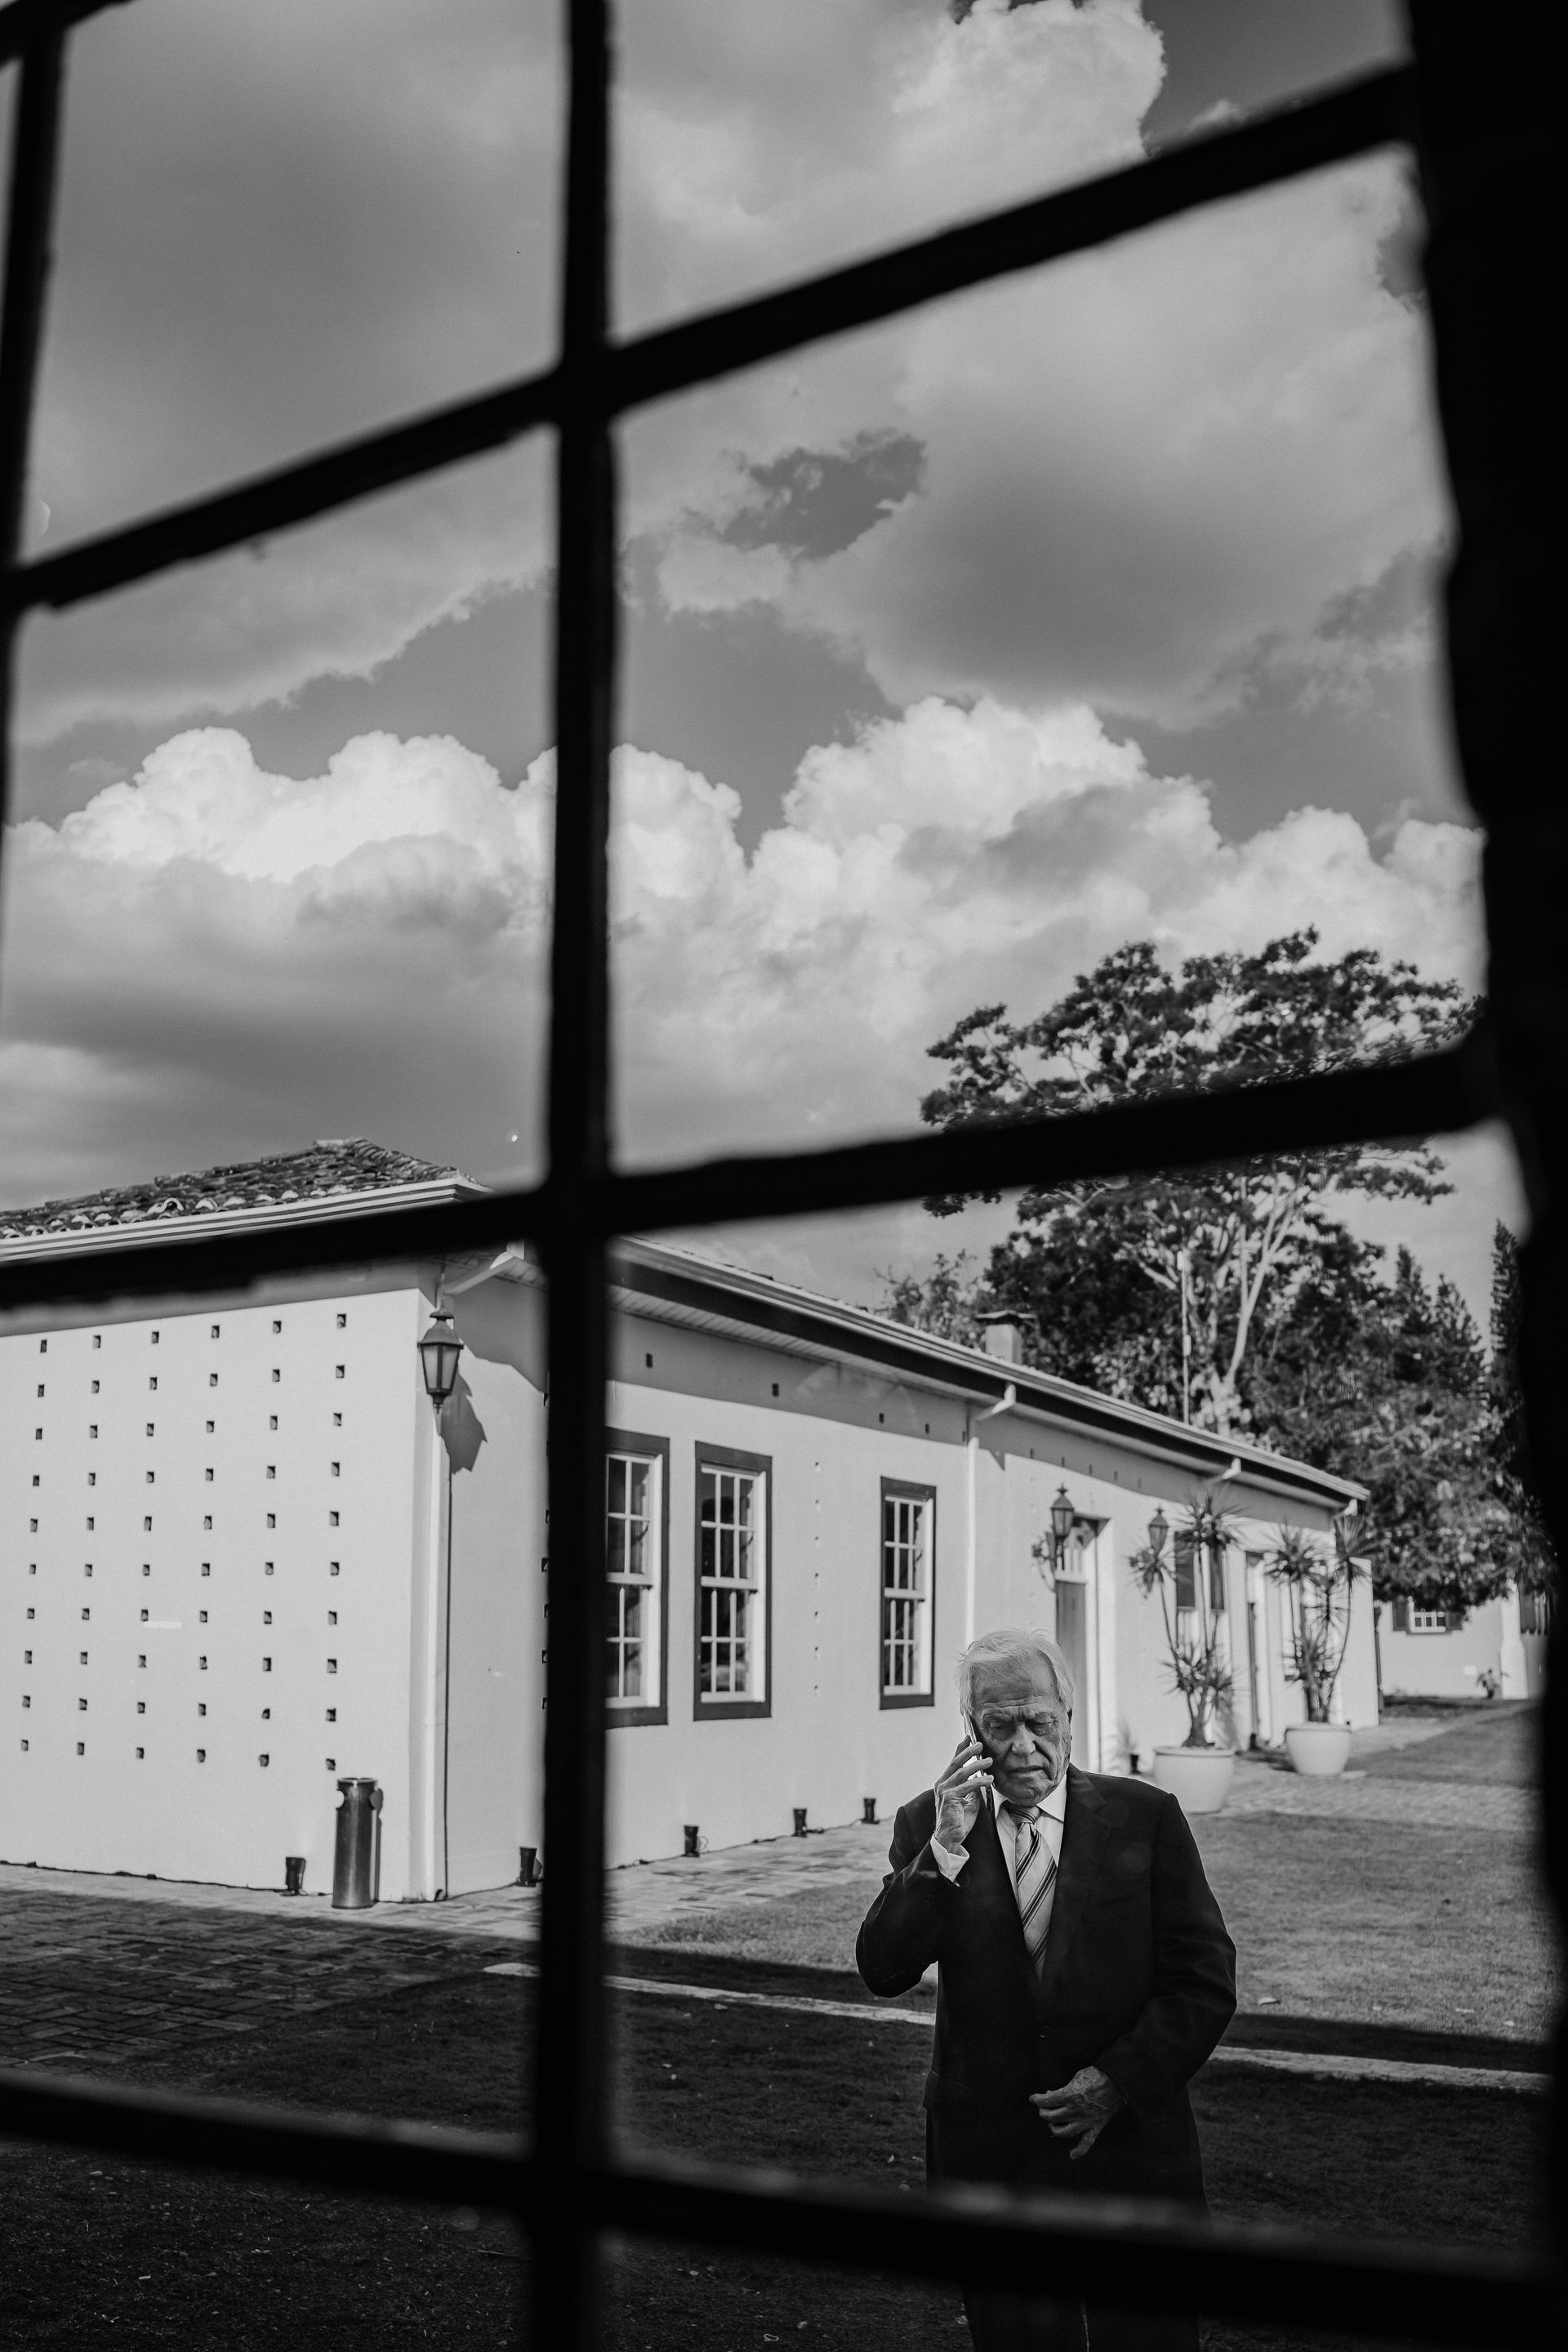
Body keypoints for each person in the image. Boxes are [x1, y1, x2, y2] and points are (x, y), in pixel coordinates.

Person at [856, 1627, 1236, 2352]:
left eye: (1041, 1721)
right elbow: (884, 1968)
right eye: (1000, 1726)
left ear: (1069, 1713)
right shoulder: (929, 1826)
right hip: (991, 2151)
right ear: (970, 1731)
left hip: (1130, 2148)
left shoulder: (1146, 1818)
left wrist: (1117, 2081)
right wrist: (944, 1851)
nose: (1024, 1745)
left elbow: (1205, 1979)